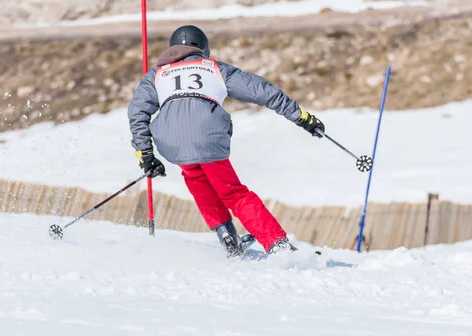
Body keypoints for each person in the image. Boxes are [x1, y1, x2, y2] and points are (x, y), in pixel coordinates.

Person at [128, 25, 325, 258]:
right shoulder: (214, 69)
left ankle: (228, 237)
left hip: (171, 143)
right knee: (234, 193)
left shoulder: (156, 75)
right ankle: (277, 244)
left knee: (195, 177)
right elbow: (262, 91)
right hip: (207, 138)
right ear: (203, 48)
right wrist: (301, 117)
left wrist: (146, 155)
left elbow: (137, 112)